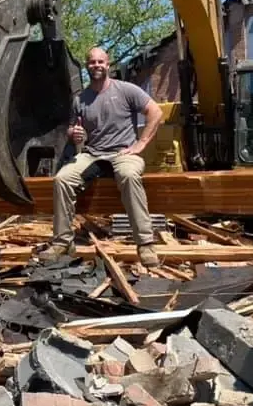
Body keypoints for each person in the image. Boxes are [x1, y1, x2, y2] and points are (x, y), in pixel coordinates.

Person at [40, 47, 164, 267]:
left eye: (100, 62)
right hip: (93, 154)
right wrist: (73, 134)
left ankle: (145, 244)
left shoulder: (127, 90)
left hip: (123, 152)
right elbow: (72, 129)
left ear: (108, 65)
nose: (96, 65)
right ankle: (62, 242)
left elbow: (155, 112)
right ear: (87, 66)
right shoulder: (81, 100)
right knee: (62, 179)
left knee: (129, 175)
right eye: (92, 62)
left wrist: (141, 143)